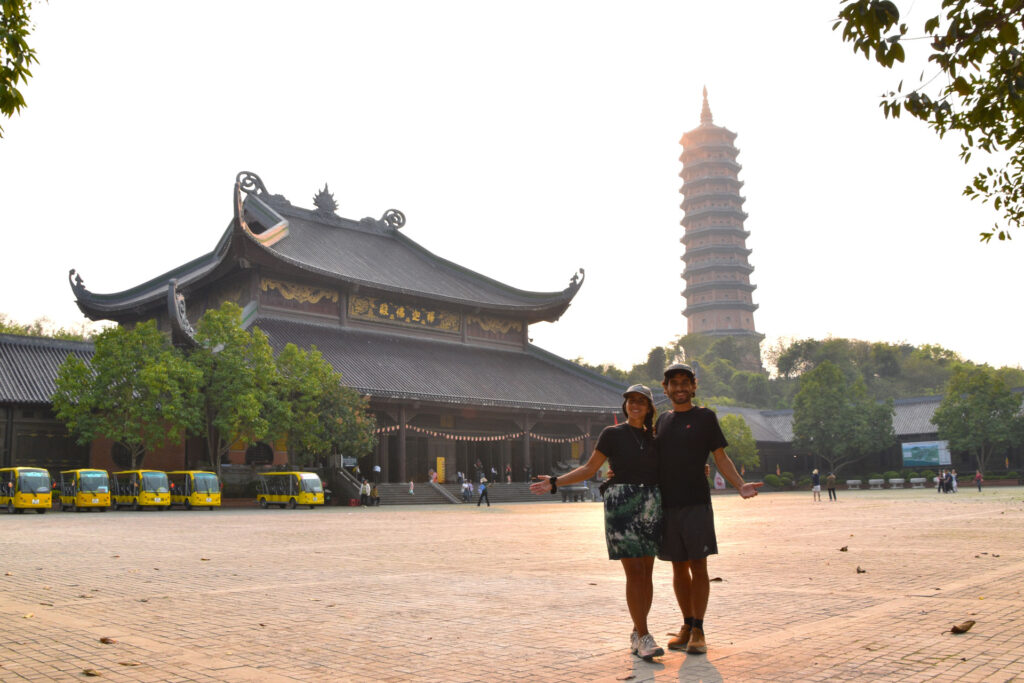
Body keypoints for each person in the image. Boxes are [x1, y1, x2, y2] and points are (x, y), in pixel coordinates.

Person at [532, 384, 665, 661]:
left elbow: (670, 467)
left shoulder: (656, 437)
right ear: (625, 405)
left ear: (650, 407)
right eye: (631, 401)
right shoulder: (612, 434)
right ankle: (644, 635)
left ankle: (637, 632)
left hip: (651, 502)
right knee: (635, 572)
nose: (635, 405)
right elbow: (590, 468)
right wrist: (555, 482)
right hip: (621, 502)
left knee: (648, 573)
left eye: (641, 401)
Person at [656, 363, 761, 656]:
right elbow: (653, 460)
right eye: (673, 383)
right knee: (677, 567)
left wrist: (739, 485)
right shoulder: (662, 421)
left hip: (696, 503)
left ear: (693, 386)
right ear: (665, 388)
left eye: (684, 383)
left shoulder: (705, 417)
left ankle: (700, 628)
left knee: (698, 565)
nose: (679, 388)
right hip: (668, 504)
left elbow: (720, 457)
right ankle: (686, 625)